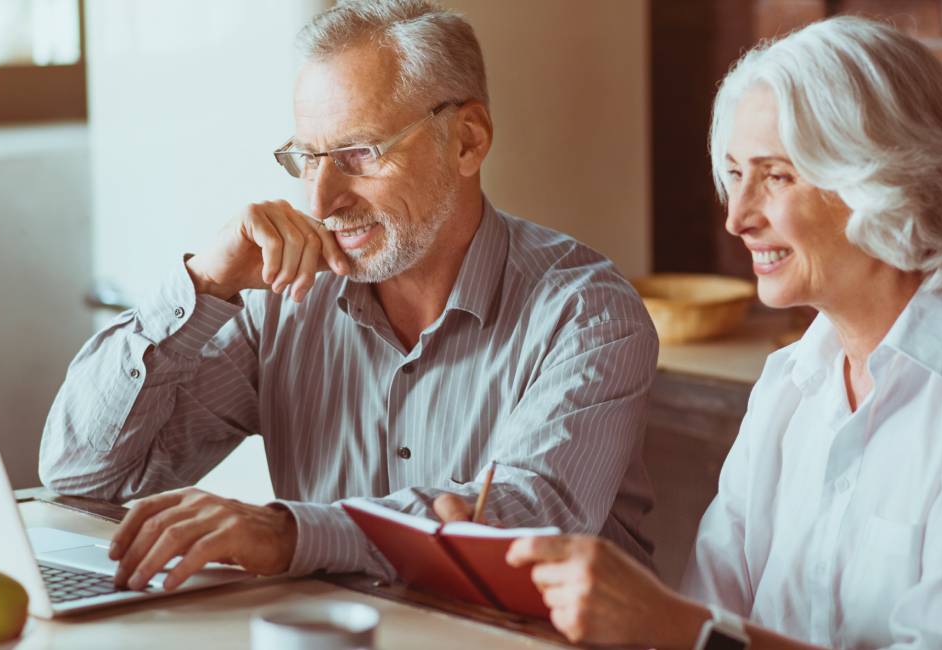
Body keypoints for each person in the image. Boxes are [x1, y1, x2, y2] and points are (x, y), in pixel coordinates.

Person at [465, 16, 942, 649]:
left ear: (884, 179)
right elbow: (716, 606)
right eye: (735, 177)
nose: (738, 219)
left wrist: (674, 627)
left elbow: (702, 629)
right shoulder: (790, 381)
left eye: (776, 176)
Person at [37, 0, 657, 592]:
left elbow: (523, 527)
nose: (321, 201)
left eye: (359, 154)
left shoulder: (587, 311)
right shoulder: (284, 302)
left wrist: (289, 533)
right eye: (308, 158)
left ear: (467, 140)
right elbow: (83, 476)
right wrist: (203, 283)